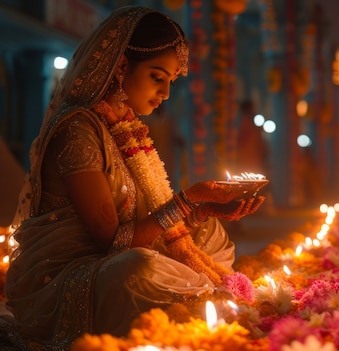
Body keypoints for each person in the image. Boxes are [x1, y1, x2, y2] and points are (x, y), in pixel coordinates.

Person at [0, 6, 264, 350]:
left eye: (170, 81)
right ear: (122, 66)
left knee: (211, 234)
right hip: (76, 270)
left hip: (122, 253)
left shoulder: (127, 127)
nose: (166, 93)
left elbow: (143, 215)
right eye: (157, 77)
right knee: (137, 270)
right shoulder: (78, 130)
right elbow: (113, 242)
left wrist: (200, 212)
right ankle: (188, 297)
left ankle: (191, 292)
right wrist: (188, 199)